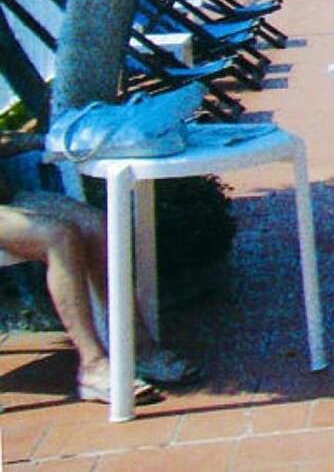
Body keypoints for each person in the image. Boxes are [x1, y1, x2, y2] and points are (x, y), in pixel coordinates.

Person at [0, 168, 203, 403]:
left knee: (98, 225)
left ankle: (138, 348)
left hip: (8, 198)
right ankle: (92, 365)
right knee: (58, 237)